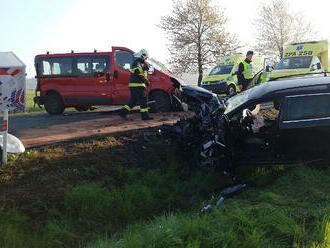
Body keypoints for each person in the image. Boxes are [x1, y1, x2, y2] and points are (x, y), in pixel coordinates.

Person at [119, 49, 153, 120]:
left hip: (136, 85)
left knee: (133, 101)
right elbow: (137, 72)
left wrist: (146, 68)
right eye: (145, 57)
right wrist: (145, 81)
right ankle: (145, 116)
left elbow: (144, 72)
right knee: (143, 100)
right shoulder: (137, 63)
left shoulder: (142, 63)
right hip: (138, 85)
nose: (146, 58)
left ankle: (123, 112)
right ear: (142, 56)